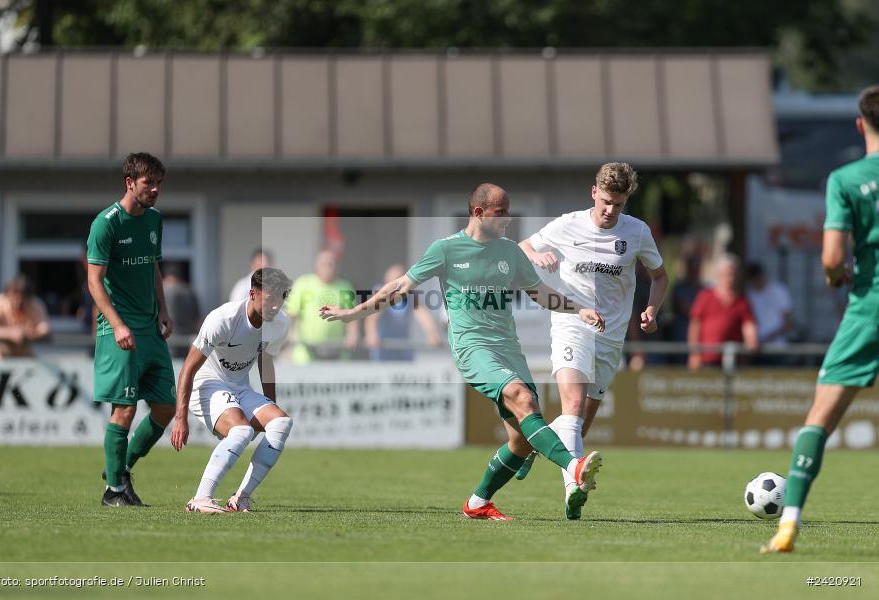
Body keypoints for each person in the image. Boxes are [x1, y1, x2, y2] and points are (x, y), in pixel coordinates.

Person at [320, 183, 606, 521]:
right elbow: (400, 287)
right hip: (472, 346)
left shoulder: (511, 252)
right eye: (501, 213)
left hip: (508, 349)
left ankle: (477, 502)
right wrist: (353, 313)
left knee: (521, 441)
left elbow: (540, 293)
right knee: (523, 399)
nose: (508, 219)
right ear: (478, 213)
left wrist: (577, 310)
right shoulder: (446, 250)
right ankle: (573, 468)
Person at [762, 85, 879, 553]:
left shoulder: (846, 179)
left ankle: (789, 524)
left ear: (859, 125)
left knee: (819, 421)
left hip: (868, 308)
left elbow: (832, 256)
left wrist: (837, 275)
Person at [517, 162, 668, 518]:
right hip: (571, 322)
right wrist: (537, 255)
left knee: (581, 419)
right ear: (593, 192)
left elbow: (660, 277)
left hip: (611, 336)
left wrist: (651, 309)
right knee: (572, 404)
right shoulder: (568, 224)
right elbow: (522, 245)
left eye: (618, 204)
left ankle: (531, 445)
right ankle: (574, 487)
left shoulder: (637, 232)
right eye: (605, 201)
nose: (609, 210)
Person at [87, 152, 176, 508]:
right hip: (118, 330)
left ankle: (120, 469)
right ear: (129, 183)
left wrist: (164, 311)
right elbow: (94, 282)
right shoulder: (105, 224)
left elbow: (154, 267)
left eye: (158, 184)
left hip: (150, 328)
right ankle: (113, 492)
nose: (154, 189)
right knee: (123, 408)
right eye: (147, 183)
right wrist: (117, 323)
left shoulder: (154, 220)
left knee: (166, 407)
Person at [171, 267, 294, 513]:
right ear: (252, 293)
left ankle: (240, 498)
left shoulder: (280, 324)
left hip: (239, 386)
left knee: (281, 423)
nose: (274, 307)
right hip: (206, 384)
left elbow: (266, 362)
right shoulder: (223, 319)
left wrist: (268, 407)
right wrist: (180, 418)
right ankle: (200, 499)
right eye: (269, 300)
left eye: (280, 300)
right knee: (241, 430)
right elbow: (187, 369)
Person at [285, 250, 358, 364]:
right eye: (324, 264)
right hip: (306, 353)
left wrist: (352, 335)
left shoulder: (346, 287)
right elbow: (291, 314)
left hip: (338, 352)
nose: (328, 267)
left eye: (332, 264)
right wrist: (287, 335)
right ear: (316, 266)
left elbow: (352, 316)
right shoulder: (303, 283)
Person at [686, 254, 758, 369]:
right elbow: (695, 325)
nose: (731, 277)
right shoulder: (705, 296)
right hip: (706, 361)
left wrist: (751, 339)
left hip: (732, 362)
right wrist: (694, 354)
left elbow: (749, 326)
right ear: (719, 274)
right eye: (728, 274)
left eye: (733, 274)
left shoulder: (742, 302)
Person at [364, 263, 442, 361]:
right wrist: (371, 334)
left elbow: (422, 315)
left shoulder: (409, 294)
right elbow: (372, 317)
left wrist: (432, 334)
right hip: (383, 347)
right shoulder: (381, 292)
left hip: (403, 347)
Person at [0, 274, 51, 361]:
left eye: (22, 297)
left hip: (23, 349)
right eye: (15, 296)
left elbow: (45, 329)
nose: (18, 302)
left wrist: (31, 333)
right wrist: (11, 333)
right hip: (0, 347)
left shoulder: (35, 305)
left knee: (35, 366)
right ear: (7, 294)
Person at [746, 262, 794, 349]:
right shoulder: (749, 296)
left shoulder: (779, 291)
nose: (758, 281)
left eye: (759, 277)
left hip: (777, 346)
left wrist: (769, 337)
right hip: (757, 347)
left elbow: (788, 323)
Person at [162, 263, 201, 358]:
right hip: (187, 338)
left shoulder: (163, 290)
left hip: (168, 337)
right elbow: (196, 318)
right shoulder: (188, 291)